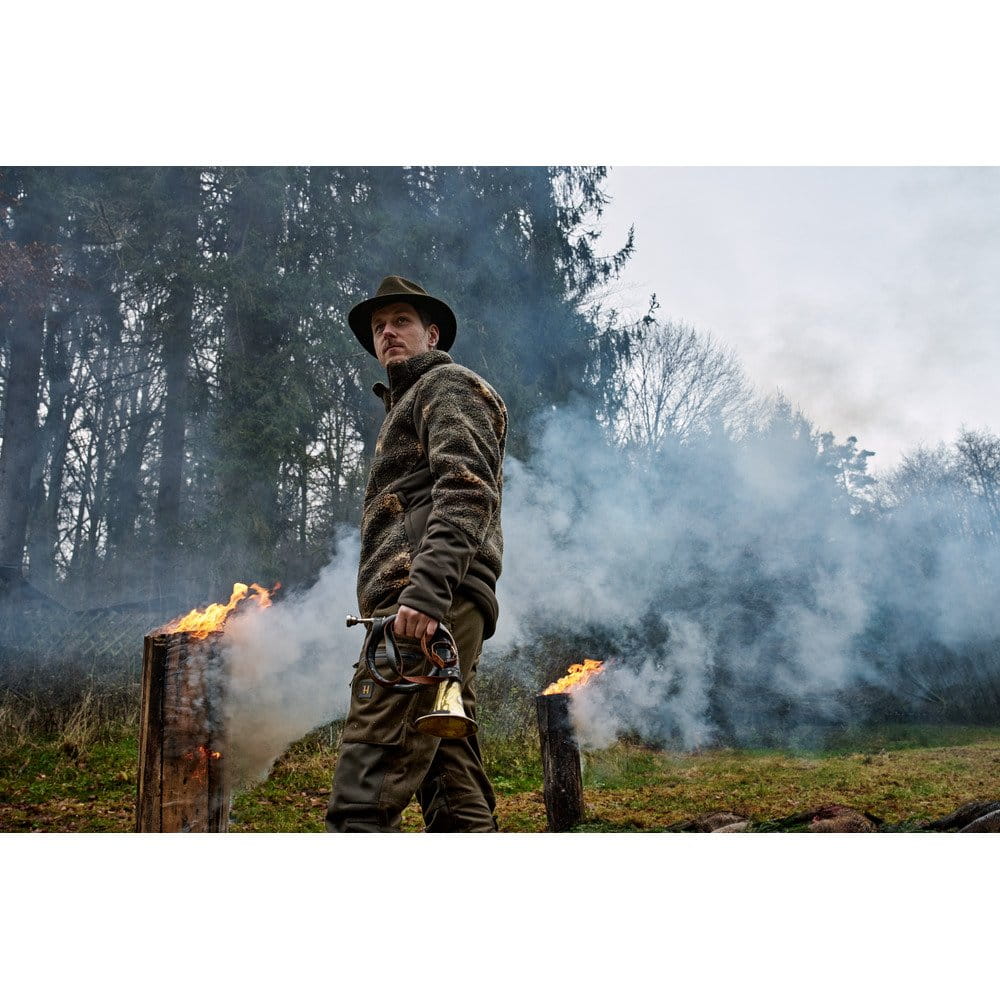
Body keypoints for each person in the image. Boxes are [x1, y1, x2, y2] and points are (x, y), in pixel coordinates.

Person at [325, 275, 506, 832]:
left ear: (432, 335)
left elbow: (467, 489)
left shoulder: (445, 385)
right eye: (378, 326)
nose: (387, 332)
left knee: (366, 783)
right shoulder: (409, 403)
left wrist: (425, 594)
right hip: (428, 605)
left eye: (401, 321)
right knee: (450, 779)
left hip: (425, 605)